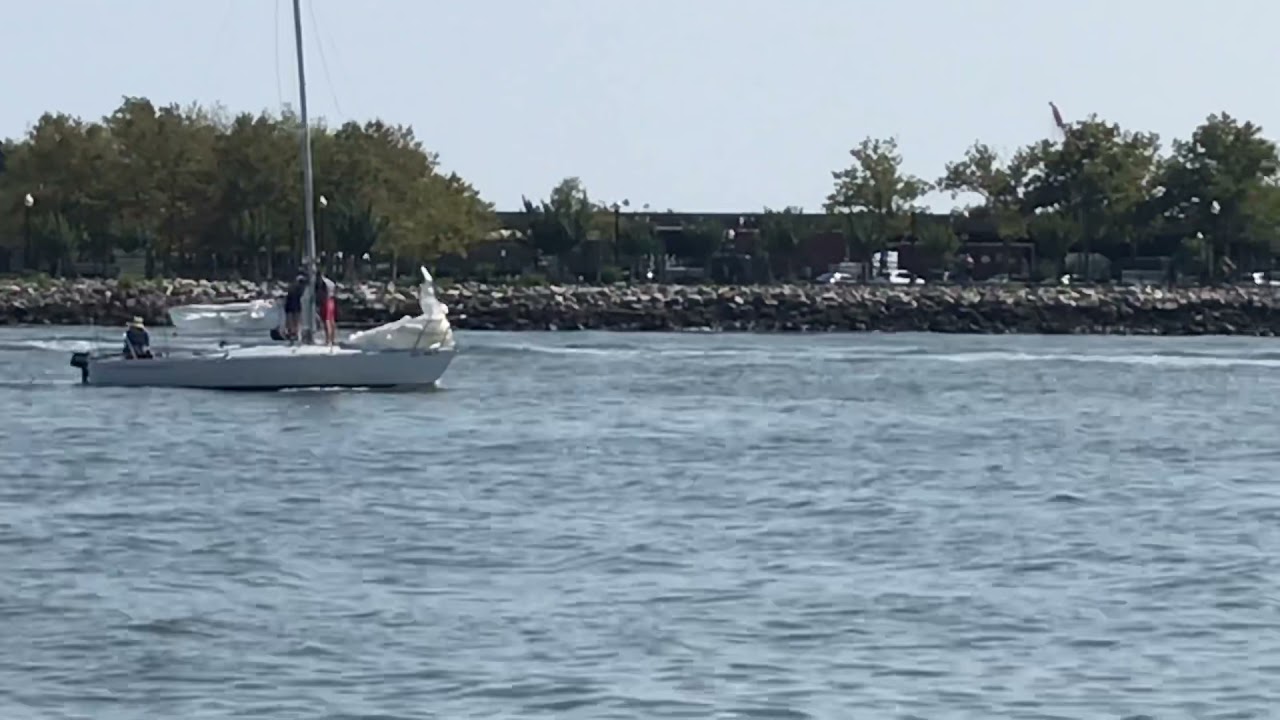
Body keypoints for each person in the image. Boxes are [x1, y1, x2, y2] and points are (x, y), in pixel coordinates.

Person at [315, 272, 337, 345]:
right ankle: (332, 339)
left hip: (325, 302)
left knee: (326, 321)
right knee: (331, 320)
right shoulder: (330, 282)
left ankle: (327, 339)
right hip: (332, 301)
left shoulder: (323, 283)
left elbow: (321, 293)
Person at [282, 274, 306, 341]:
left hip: (291, 305)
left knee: (291, 320)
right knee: (295, 320)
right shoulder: (302, 288)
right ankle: (293, 333)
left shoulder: (293, 287)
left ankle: (292, 333)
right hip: (295, 305)